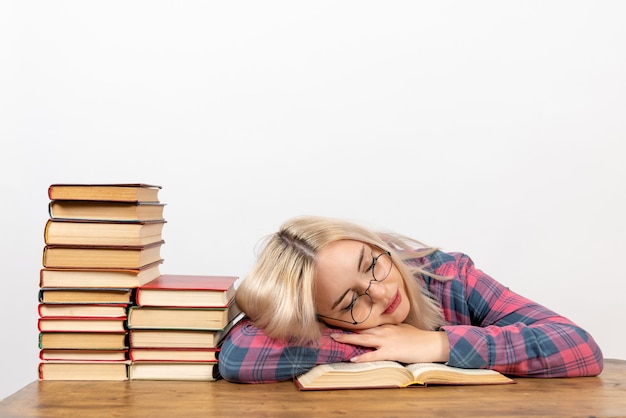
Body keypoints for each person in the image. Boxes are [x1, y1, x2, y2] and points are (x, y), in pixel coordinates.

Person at [218, 215, 603, 383]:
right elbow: (239, 356)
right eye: (351, 303)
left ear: (377, 244)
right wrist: (381, 347)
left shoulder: (450, 276)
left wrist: (436, 343)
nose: (382, 293)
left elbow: (578, 347)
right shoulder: (323, 324)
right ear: (325, 320)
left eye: (372, 264)